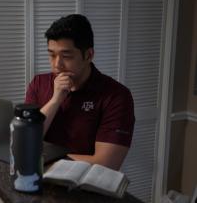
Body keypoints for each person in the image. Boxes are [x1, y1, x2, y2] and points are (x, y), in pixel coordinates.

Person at [25, 14, 135, 170]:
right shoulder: (39, 83)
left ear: (88, 55)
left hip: (87, 188)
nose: (57, 64)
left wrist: (41, 157)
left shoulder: (117, 96)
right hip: (40, 179)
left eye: (66, 56)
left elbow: (107, 163)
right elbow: (26, 140)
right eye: (52, 55)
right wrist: (55, 101)